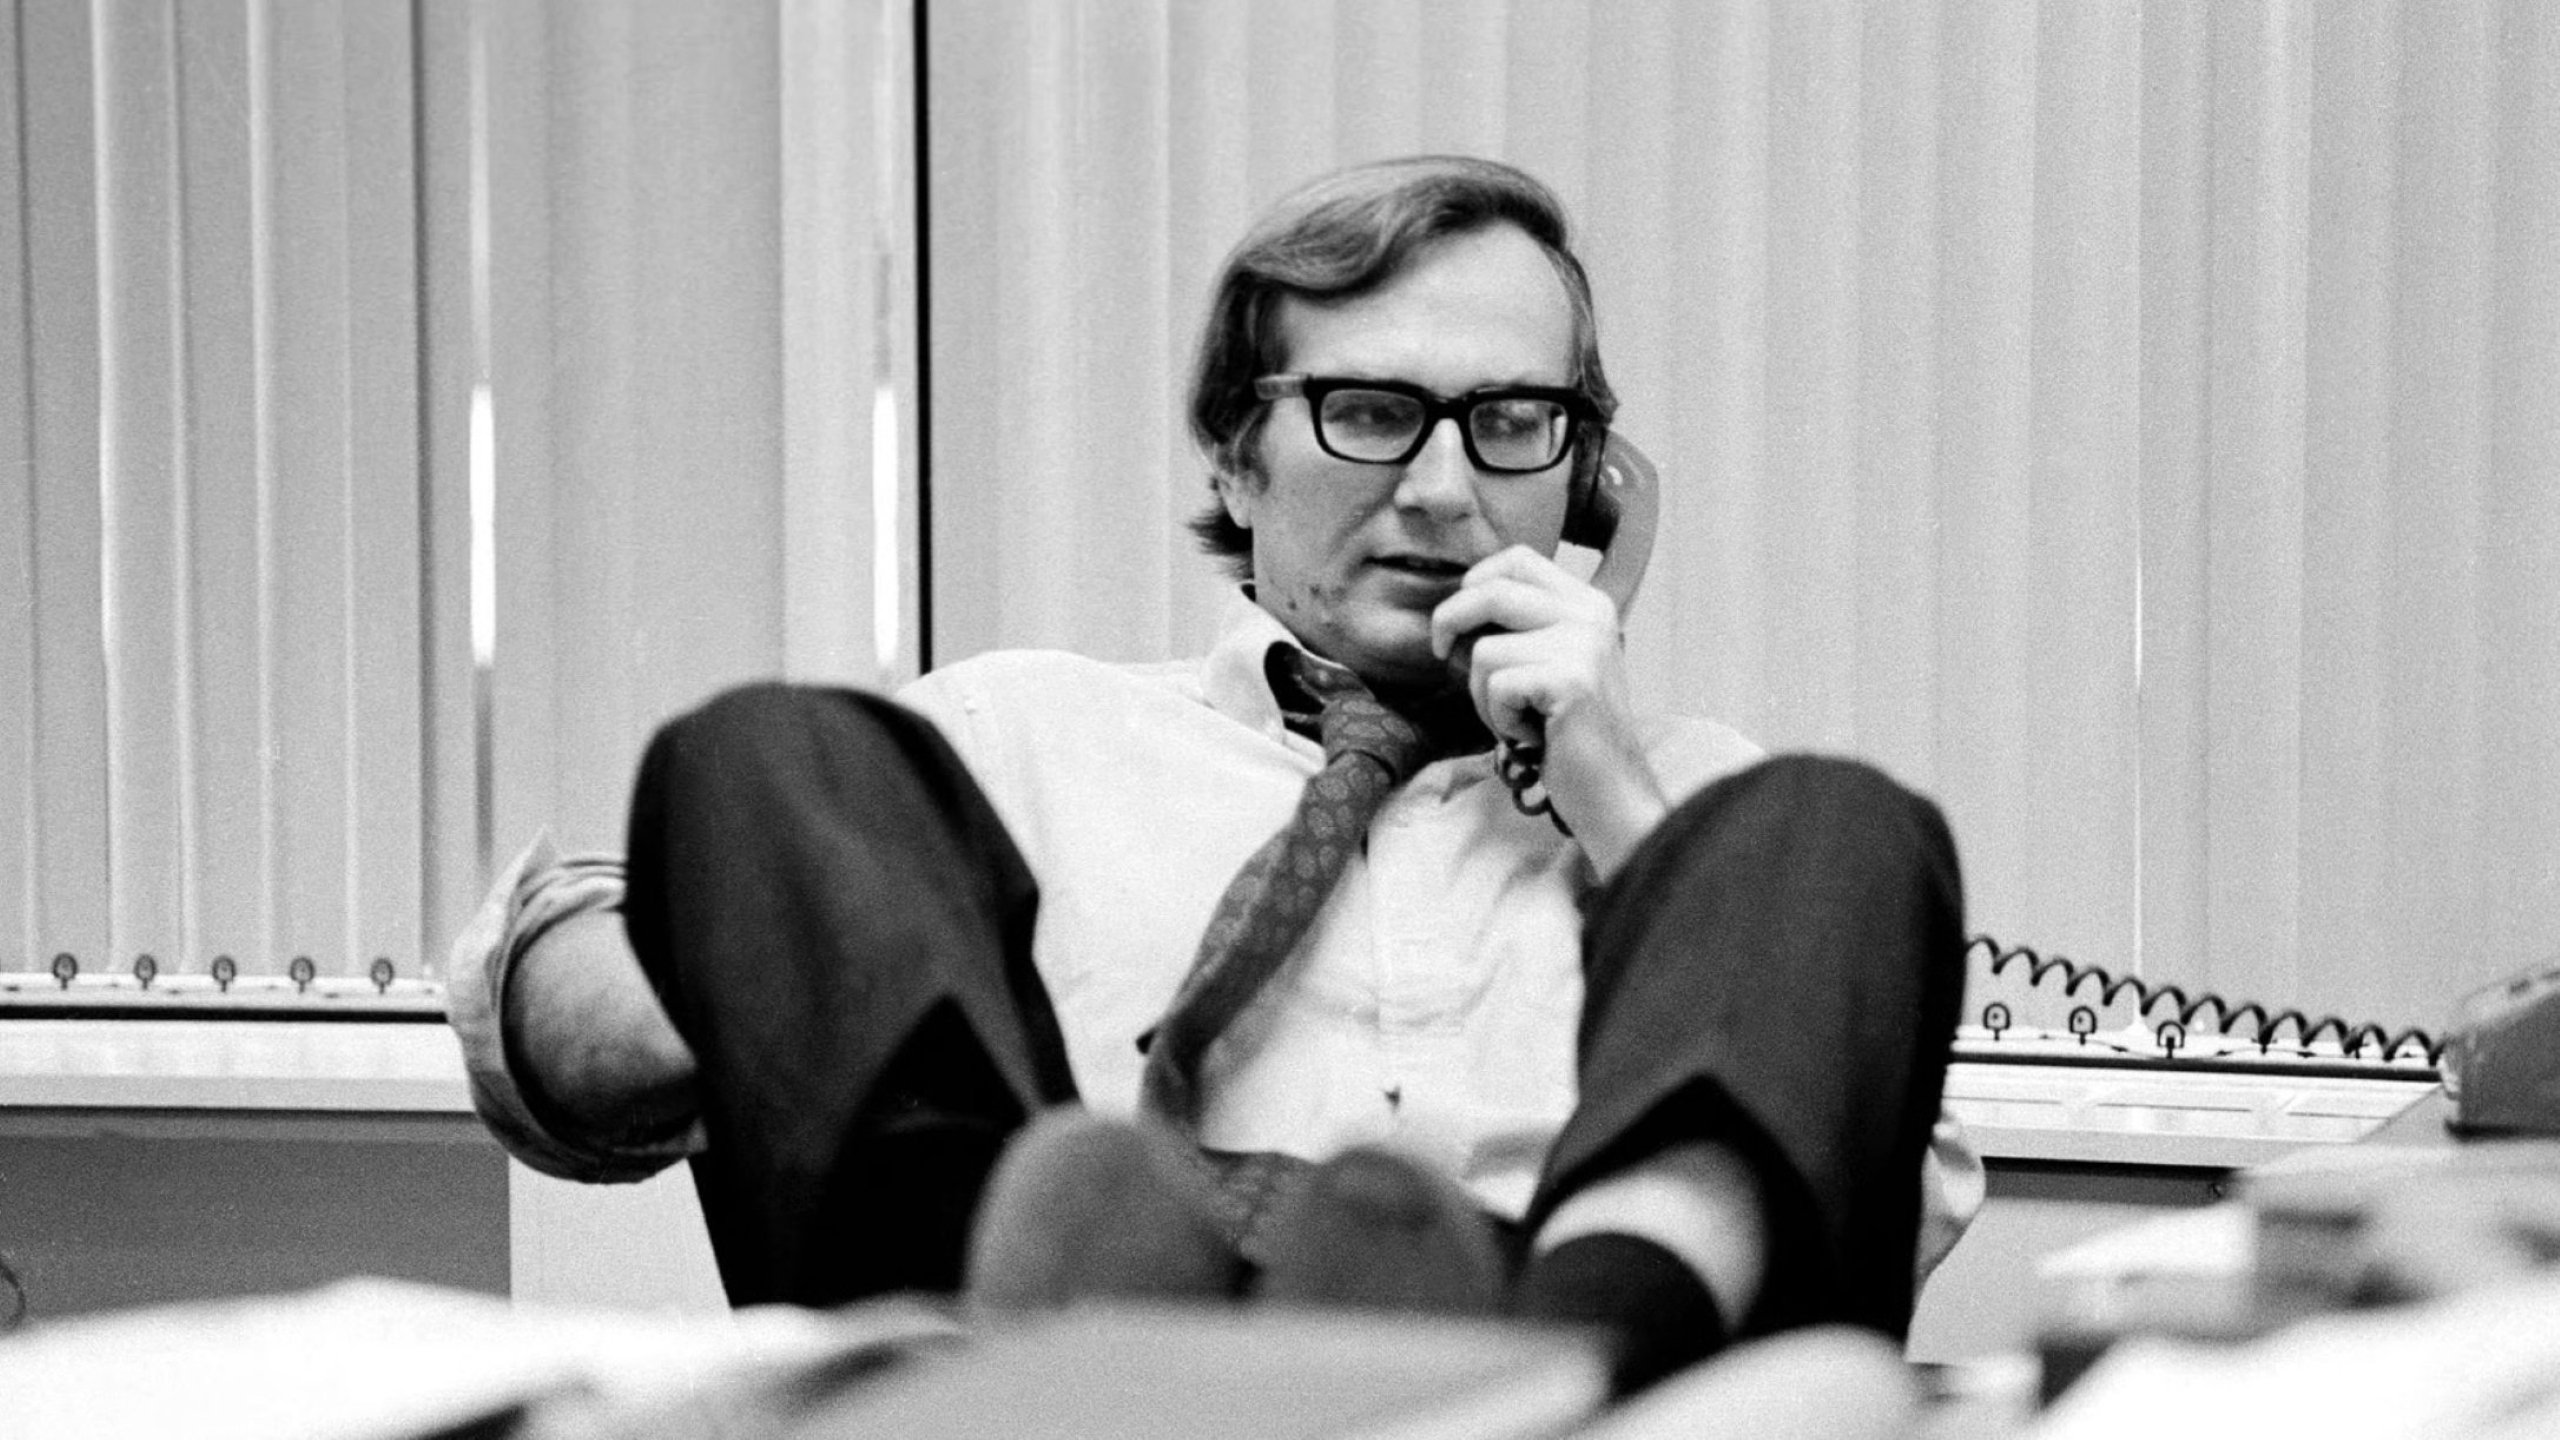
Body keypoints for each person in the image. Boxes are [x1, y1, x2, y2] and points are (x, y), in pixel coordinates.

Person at [447, 154, 1975, 1397]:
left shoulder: (1706, 820)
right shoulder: (1010, 740)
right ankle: (1012, 1331)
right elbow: (549, 1057)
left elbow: (1889, 1208)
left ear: (1587, 483)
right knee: (771, 752)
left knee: (1835, 820)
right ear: (1238, 459)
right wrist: (781, 955)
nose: (1444, 490)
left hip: (1588, 1369)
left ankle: (1567, 1358)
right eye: (1370, 413)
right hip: (1058, 1353)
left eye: (1514, 424)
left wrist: (1622, 811)